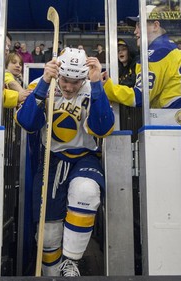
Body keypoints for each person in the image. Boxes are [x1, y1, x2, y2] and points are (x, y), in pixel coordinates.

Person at [16, 47, 115, 277]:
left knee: (86, 191)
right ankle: (51, 273)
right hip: (52, 158)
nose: (69, 87)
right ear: (58, 73)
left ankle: (71, 263)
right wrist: (43, 84)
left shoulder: (92, 88)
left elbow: (102, 128)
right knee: (48, 232)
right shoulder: (44, 83)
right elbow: (27, 123)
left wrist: (96, 85)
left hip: (84, 156)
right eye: (65, 80)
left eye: (76, 81)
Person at [102, 4, 181, 109]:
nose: (135, 31)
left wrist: (107, 87)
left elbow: (139, 98)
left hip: (179, 119)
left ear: (155, 26)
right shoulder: (171, 48)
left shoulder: (155, 54)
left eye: (139, 25)